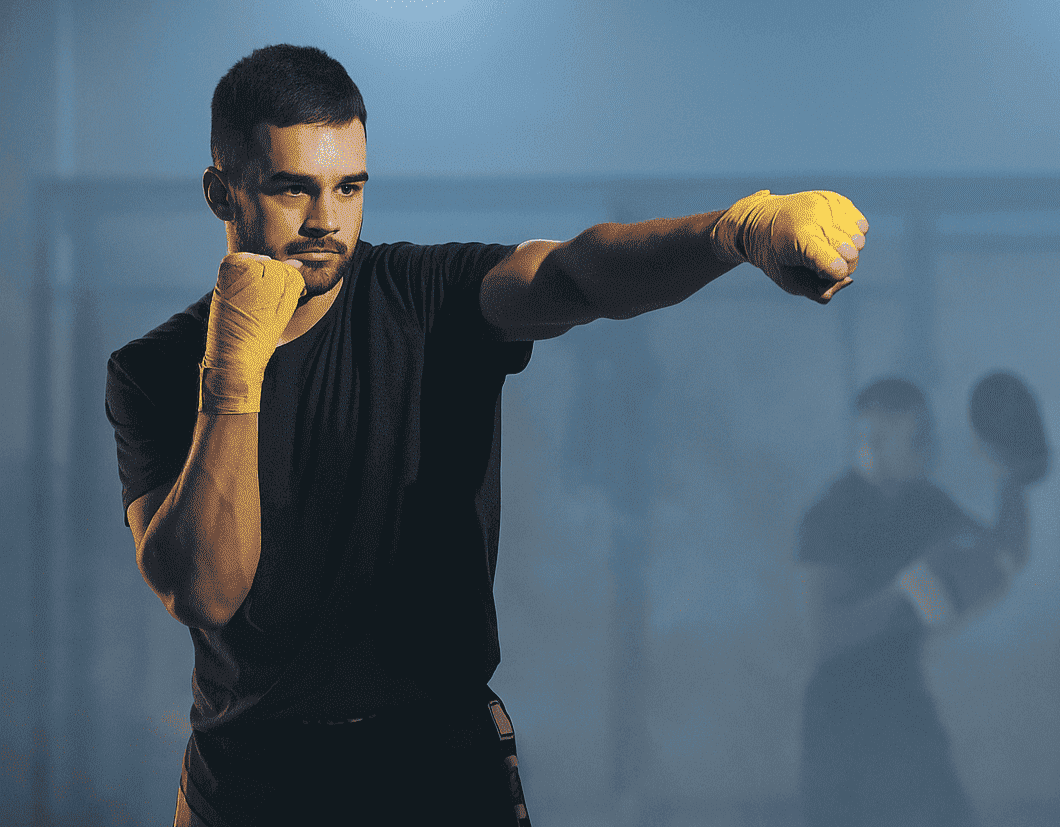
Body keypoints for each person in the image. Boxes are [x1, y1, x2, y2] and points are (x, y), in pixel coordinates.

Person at [105, 44, 869, 826]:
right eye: (292, 188)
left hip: (437, 766)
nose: (326, 220)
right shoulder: (152, 370)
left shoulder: (422, 296)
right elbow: (205, 589)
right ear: (221, 193)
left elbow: (574, 275)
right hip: (251, 783)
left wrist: (733, 232)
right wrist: (233, 375)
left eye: (349, 187)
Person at [796, 376, 1043, 827]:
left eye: (931, 435)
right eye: (919, 438)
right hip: (842, 719)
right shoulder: (830, 517)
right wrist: (903, 590)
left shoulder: (926, 503)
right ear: (874, 440)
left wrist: (1011, 477)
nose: (932, 450)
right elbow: (826, 637)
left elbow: (1005, 556)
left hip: (903, 703)